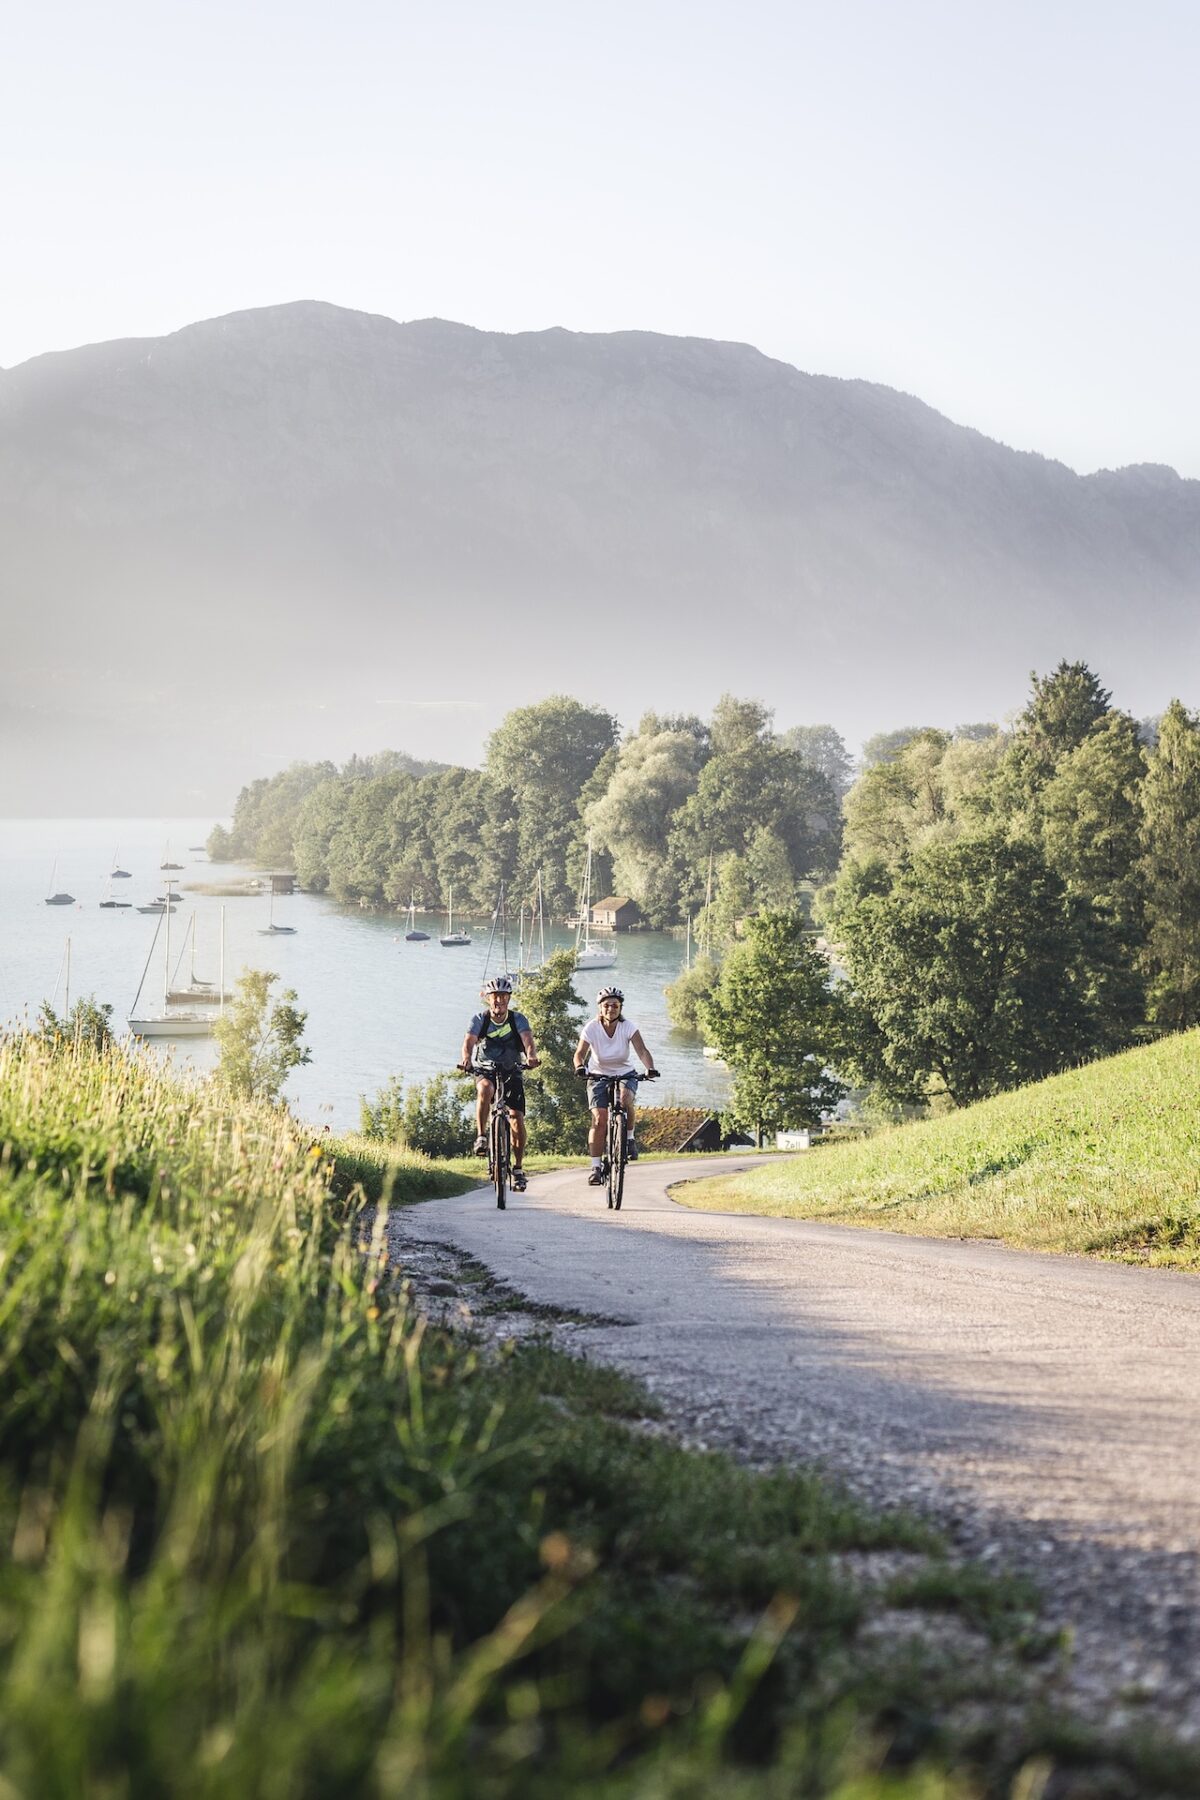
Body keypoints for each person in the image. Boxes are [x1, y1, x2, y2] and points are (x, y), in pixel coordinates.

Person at [459, 975, 539, 1192]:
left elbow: (527, 1041)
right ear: (487, 998)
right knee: (485, 1089)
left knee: (516, 1118)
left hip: (512, 1069)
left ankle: (519, 1169)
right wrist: (466, 1059)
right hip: (485, 1069)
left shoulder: (518, 1019)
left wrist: (531, 1057)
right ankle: (482, 1137)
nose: (499, 1001)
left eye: (503, 997)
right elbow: (469, 1042)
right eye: (495, 997)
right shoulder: (479, 1019)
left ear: (509, 999)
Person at [572, 986, 658, 1186]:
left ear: (620, 1008)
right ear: (600, 1008)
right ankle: (595, 1167)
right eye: (607, 1005)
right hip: (597, 1075)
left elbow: (642, 1050)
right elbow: (579, 1053)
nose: (611, 1009)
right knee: (599, 1119)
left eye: (615, 1005)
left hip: (624, 1073)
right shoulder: (591, 1028)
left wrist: (650, 1068)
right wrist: (579, 1067)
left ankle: (629, 1138)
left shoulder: (628, 1027)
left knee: (625, 1098)